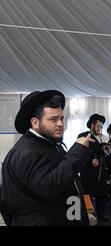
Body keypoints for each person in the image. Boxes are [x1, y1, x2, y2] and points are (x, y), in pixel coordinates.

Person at [0, 90, 93, 226]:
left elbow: (67, 179)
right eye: (53, 119)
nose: (61, 124)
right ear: (35, 123)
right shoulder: (27, 151)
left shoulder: (48, 144)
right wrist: (77, 152)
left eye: (61, 118)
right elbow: (48, 188)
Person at [78, 113, 110, 222]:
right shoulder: (83, 135)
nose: (100, 129)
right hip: (88, 170)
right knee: (88, 193)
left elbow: (104, 152)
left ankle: (102, 214)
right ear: (92, 125)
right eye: (98, 126)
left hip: (101, 169)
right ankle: (89, 214)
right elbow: (80, 153)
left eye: (101, 127)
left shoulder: (102, 137)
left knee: (102, 193)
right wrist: (90, 160)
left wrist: (107, 151)